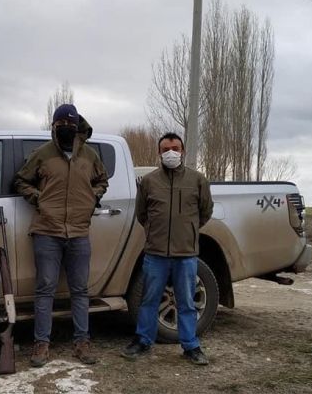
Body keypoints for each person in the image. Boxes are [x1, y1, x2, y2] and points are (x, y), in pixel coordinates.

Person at [15, 104, 108, 367]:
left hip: (79, 231)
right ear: (54, 126)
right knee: (45, 289)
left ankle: (82, 342)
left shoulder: (89, 155)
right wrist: (39, 199)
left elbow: (102, 181)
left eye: (70, 125)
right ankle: (42, 344)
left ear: (77, 127)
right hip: (47, 231)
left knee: (80, 290)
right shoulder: (42, 154)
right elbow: (21, 180)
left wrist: (93, 197)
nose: (66, 129)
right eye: (61, 125)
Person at [121, 132, 213, 365]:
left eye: (175, 148)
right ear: (159, 153)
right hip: (156, 254)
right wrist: (156, 233)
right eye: (165, 149)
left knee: (186, 302)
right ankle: (143, 341)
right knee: (149, 300)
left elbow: (205, 212)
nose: (171, 152)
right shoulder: (149, 182)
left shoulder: (198, 180)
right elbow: (142, 214)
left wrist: (188, 232)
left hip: (186, 255)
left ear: (183, 151)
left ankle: (191, 346)